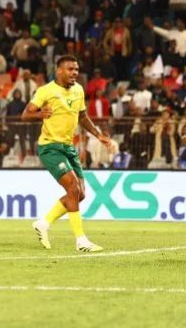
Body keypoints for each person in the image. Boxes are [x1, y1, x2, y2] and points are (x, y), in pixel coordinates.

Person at [23, 55, 112, 252]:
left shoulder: (78, 90)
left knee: (80, 194)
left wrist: (98, 135)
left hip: (69, 147)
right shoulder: (46, 91)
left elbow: (82, 116)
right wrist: (39, 114)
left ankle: (43, 223)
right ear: (59, 71)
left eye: (76, 69)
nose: (75, 73)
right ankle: (81, 241)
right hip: (50, 147)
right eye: (70, 69)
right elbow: (25, 114)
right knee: (72, 187)